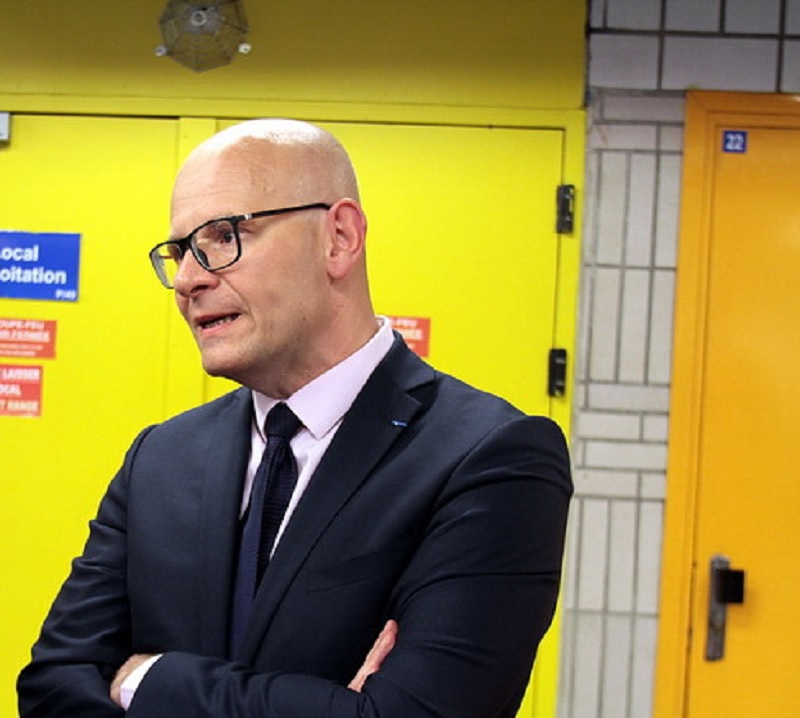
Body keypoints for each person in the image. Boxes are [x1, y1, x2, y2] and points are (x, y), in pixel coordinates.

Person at [17, 119, 572, 717]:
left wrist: (145, 679)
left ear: (338, 238)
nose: (187, 279)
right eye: (179, 252)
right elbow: (52, 684)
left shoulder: (490, 456)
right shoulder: (161, 457)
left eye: (224, 235)